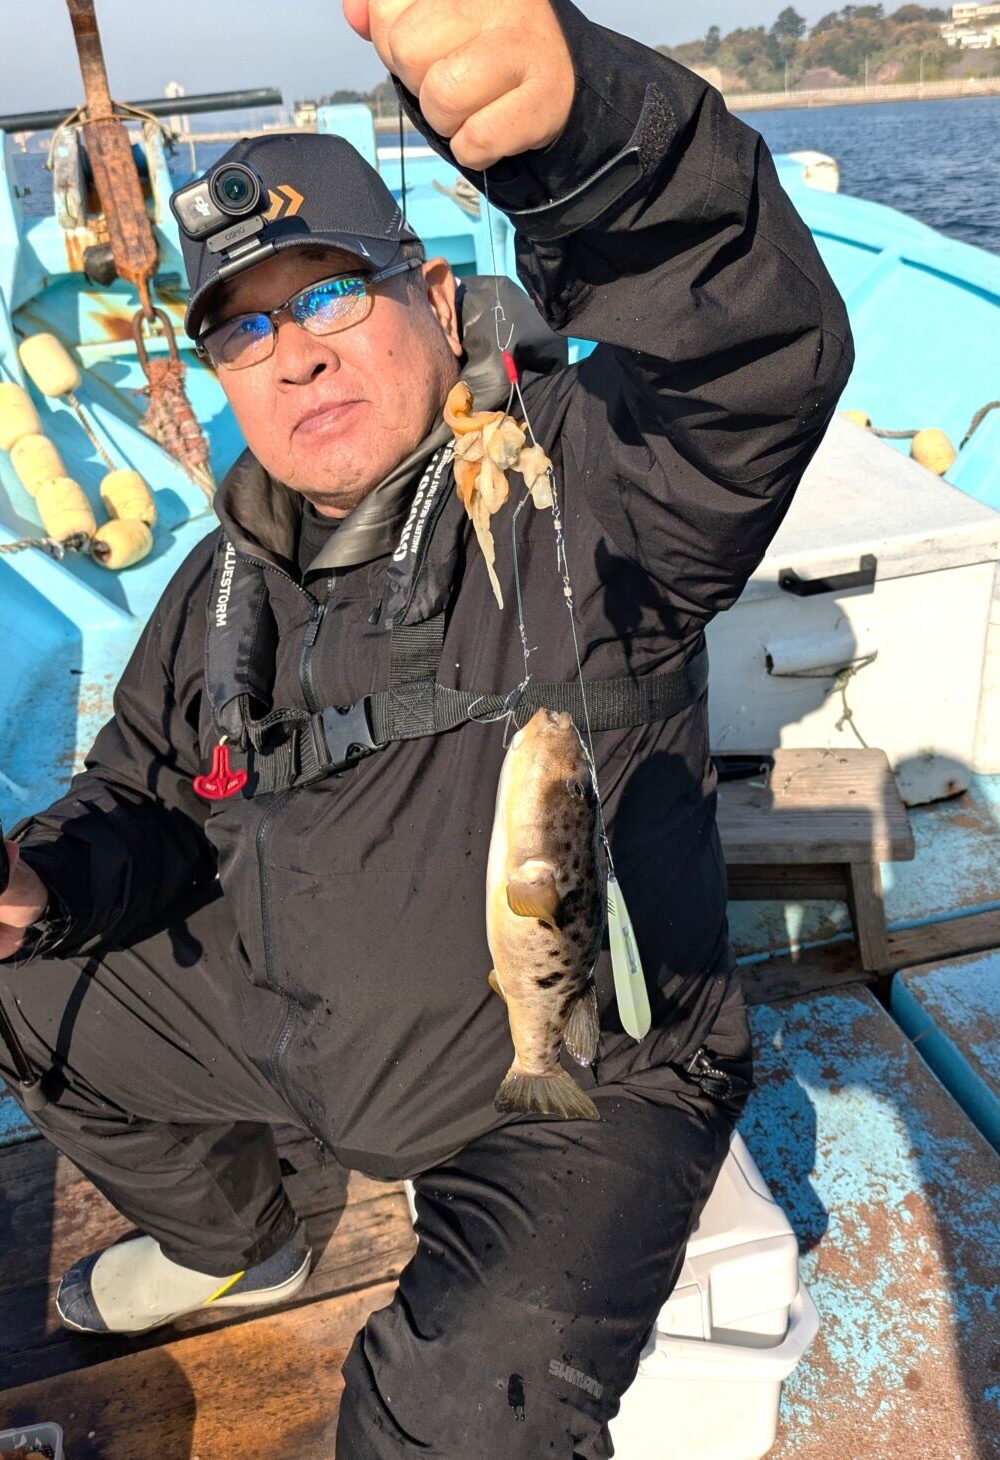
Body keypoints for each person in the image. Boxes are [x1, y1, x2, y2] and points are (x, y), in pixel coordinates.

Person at [0, 0, 853, 1453]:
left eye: (333, 294)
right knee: (22, 984)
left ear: (441, 302)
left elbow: (752, 359)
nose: (293, 355)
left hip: (572, 1070)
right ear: (220, 378)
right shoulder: (216, 587)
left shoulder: (581, 487)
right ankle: (236, 1242)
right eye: (245, 328)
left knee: (452, 1415)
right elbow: (141, 799)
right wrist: (40, 882)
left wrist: (599, 145)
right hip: (302, 1025)